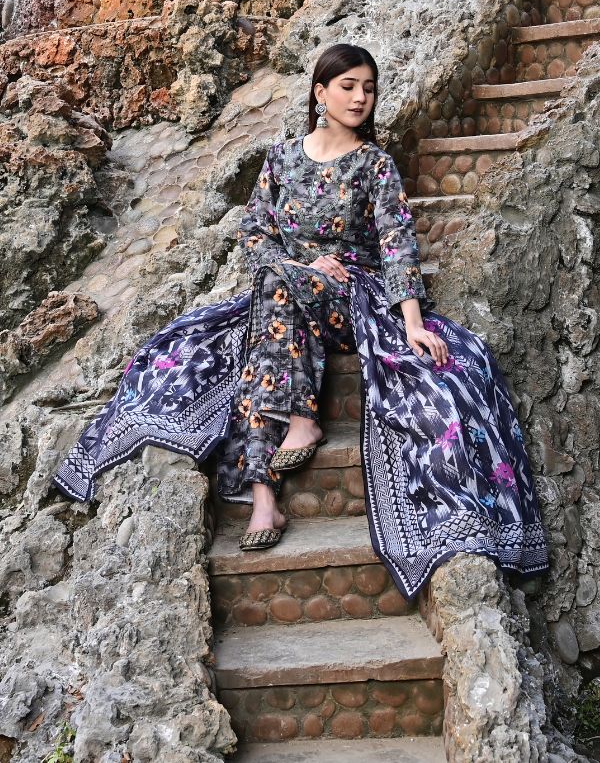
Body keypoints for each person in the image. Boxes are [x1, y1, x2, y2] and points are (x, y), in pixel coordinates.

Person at [53, 43, 549, 596]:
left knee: (275, 304)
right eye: (348, 86)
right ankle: (269, 483)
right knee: (248, 314)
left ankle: (274, 477)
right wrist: (298, 266)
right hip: (287, 289)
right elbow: (255, 236)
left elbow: (396, 246)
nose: (360, 97)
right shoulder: (280, 158)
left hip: (350, 294)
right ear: (320, 93)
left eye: (368, 87)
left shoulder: (374, 165)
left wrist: (411, 322)